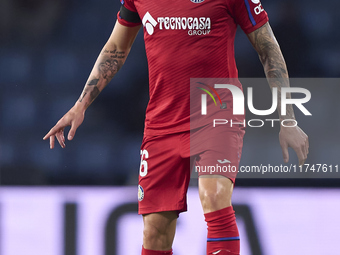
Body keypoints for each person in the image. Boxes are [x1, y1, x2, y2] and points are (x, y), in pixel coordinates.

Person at [44, 0, 309, 254]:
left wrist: (287, 118)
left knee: (214, 196)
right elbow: (116, 47)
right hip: (162, 122)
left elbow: (268, 48)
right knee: (154, 233)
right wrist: (81, 104)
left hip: (216, 111)